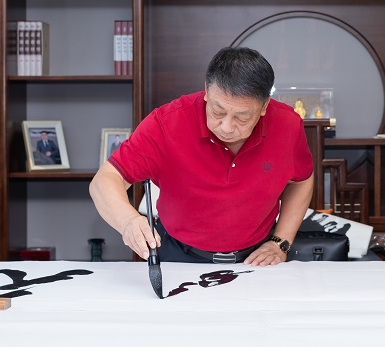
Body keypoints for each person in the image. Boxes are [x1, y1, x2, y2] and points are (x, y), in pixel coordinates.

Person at [89, 47, 314, 266]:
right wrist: (128, 221)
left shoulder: (287, 125)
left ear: (264, 106)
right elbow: (105, 180)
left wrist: (280, 241)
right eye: (218, 111)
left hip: (255, 259)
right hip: (177, 254)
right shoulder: (167, 123)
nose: (226, 127)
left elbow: (302, 181)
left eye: (242, 118)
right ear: (206, 90)